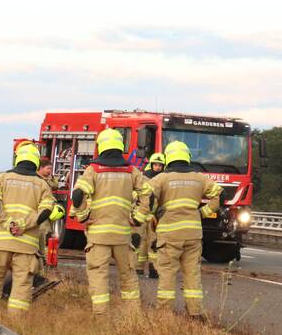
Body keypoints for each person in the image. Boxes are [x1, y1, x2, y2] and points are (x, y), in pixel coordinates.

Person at [70, 129, 151, 314]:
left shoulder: (94, 170)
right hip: (123, 236)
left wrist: (82, 216)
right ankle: (133, 317)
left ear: (101, 146)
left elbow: (77, 194)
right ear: (120, 146)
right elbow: (148, 194)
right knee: (129, 277)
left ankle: (101, 317)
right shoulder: (132, 170)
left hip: (98, 236)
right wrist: (138, 218)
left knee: (99, 277)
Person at [0, 144, 58, 314]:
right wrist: (23, 225)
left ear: (18, 158)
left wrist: (8, 224)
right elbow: (45, 211)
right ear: (36, 162)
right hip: (26, 246)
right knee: (22, 285)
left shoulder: (2, 178)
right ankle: (15, 324)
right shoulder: (42, 184)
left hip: (0, 243)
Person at [149, 141, 222, 317]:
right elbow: (219, 195)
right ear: (187, 157)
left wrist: (156, 213)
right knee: (192, 274)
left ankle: (164, 314)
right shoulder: (199, 178)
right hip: (193, 234)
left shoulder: (161, 179)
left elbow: (147, 199)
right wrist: (201, 213)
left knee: (167, 274)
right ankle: (195, 313)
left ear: (168, 158)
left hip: (170, 235)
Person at [136, 152, 166, 278]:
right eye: (156, 165)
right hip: (145, 214)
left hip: (154, 216)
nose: (158, 167)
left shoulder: (163, 178)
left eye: (160, 165)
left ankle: (153, 268)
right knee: (142, 242)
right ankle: (139, 267)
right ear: (151, 164)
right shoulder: (145, 177)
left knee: (153, 243)